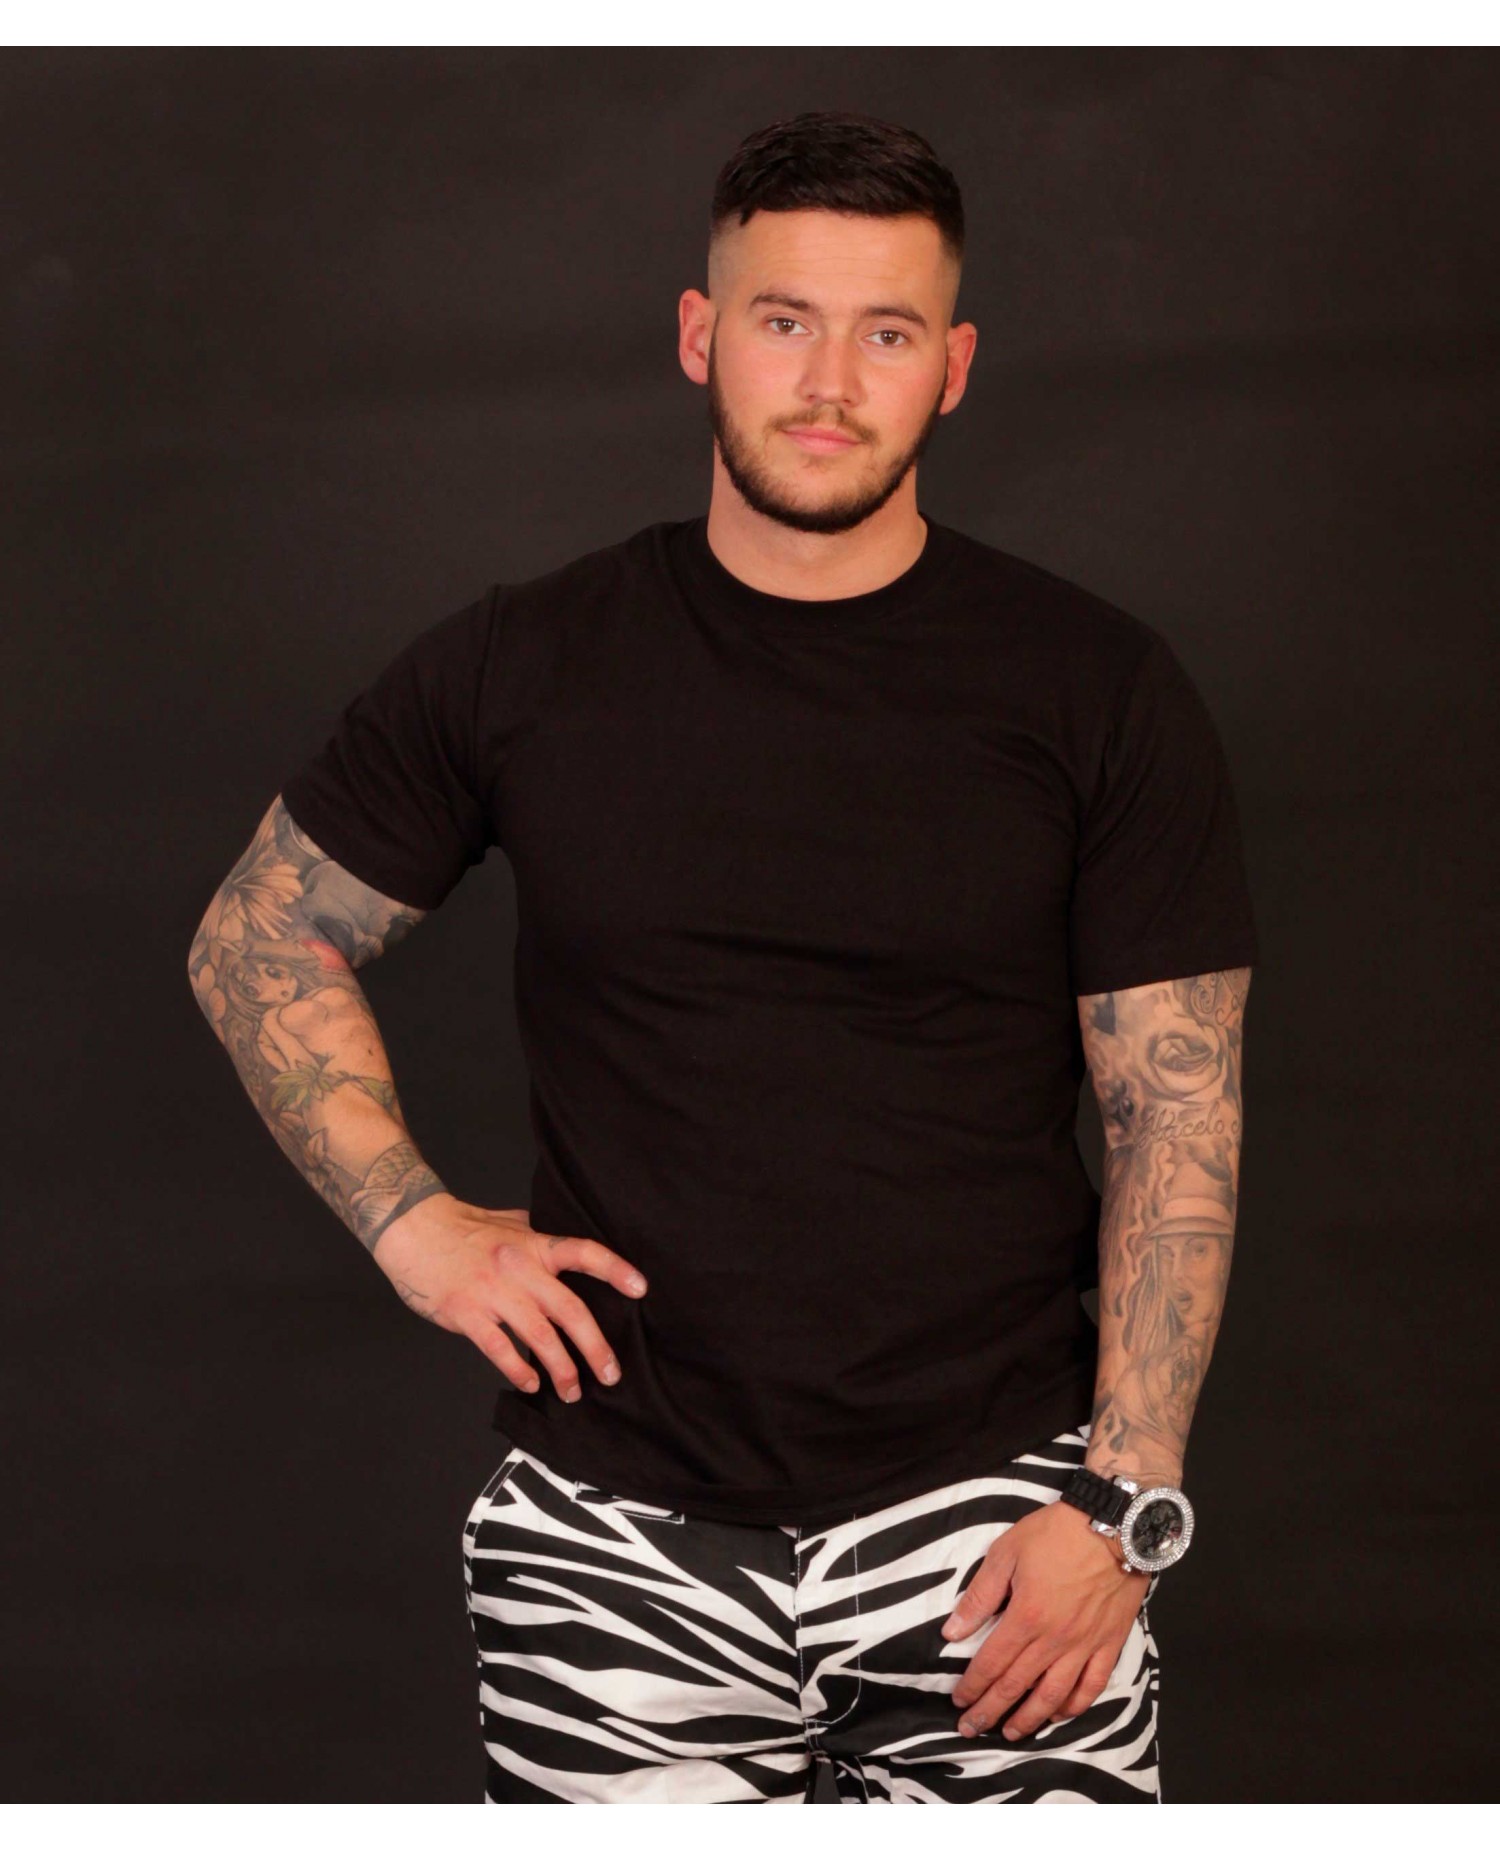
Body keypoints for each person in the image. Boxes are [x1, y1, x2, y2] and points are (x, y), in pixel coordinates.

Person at [188, 110, 1258, 1804]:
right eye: (784, 319)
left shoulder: (1097, 690)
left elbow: (1174, 1111)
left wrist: (1123, 1506)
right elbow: (260, 930)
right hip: (611, 1544)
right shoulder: (527, 661)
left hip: (998, 1531)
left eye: (886, 331)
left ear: (954, 368)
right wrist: (416, 1229)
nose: (828, 380)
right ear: (700, 335)